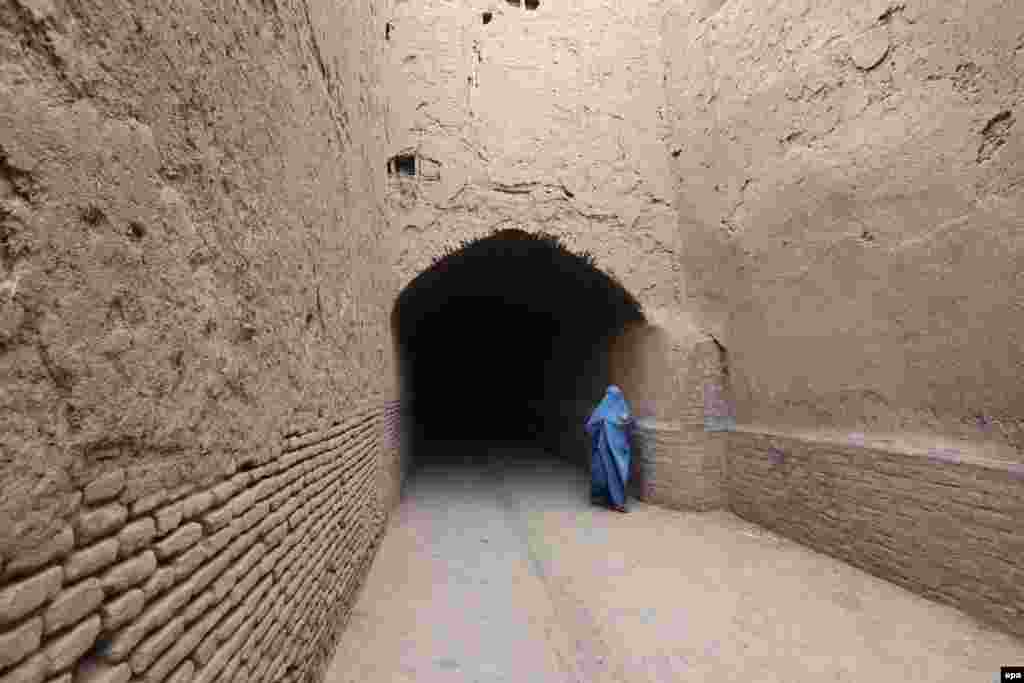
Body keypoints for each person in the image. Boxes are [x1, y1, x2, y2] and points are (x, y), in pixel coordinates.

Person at [585, 385, 633, 513]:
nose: (611, 399)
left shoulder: (609, 411)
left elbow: (590, 427)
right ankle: (606, 500)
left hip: (616, 453)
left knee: (614, 475)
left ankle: (617, 502)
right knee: (604, 476)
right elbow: (590, 427)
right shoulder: (612, 411)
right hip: (604, 452)